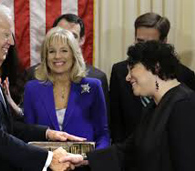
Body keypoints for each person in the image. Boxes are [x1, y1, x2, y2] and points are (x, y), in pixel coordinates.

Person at [0, 3, 86, 171]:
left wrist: (47, 134)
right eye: (6, 34)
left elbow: (5, 126)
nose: (12, 41)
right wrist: (48, 158)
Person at [61, 41, 195, 171]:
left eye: (132, 69)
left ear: (156, 67)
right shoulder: (154, 106)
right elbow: (129, 150)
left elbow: (186, 164)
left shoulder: (184, 105)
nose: (127, 77)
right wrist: (85, 158)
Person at [109, 12, 195, 143]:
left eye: (150, 43)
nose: (143, 48)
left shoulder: (185, 77)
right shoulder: (120, 71)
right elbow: (116, 122)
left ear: (164, 42)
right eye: (139, 41)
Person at [24, 27, 110, 150]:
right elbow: (29, 134)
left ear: (74, 54)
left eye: (64, 51)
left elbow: (103, 135)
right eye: (51, 51)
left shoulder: (93, 87)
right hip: (46, 164)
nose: (57, 56)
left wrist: (92, 159)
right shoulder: (32, 89)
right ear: (45, 56)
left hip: (84, 165)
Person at [26, 13, 109, 111]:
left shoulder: (97, 78)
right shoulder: (33, 75)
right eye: (60, 33)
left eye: (72, 36)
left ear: (82, 40)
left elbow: (103, 122)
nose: (65, 40)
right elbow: (26, 118)